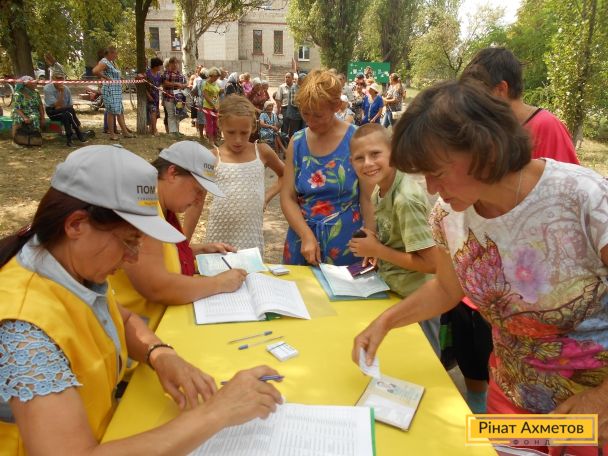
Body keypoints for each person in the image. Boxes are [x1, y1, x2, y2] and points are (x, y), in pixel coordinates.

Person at [353, 79, 608, 455]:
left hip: (593, 419)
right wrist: (385, 322)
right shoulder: (448, 215)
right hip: (511, 402)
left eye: (437, 172)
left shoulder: (586, 198)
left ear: (484, 150)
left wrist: (602, 399)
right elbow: (446, 287)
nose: (432, 189)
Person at [0, 145, 283, 455]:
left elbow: (121, 317)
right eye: (128, 241)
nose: (133, 258)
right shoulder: (24, 332)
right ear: (76, 224)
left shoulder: (69, 267)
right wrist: (217, 412)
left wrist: (159, 354)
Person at [109, 141, 247, 331]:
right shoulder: (143, 208)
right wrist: (218, 283)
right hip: (143, 331)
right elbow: (156, 286)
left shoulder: (160, 206)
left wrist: (196, 250)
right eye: (197, 190)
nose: (199, 200)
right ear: (172, 173)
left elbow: (156, 254)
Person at [348, 123, 440, 356]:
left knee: (423, 359)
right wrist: (375, 243)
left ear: (394, 153)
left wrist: (378, 250)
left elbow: (432, 263)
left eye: (375, 154)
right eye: (359, 158)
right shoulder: (380, 190)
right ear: (351, 163)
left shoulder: (405, 200)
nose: (367, 163)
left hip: (419, 299)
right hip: (397, 291)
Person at [281, 70, 374, 266]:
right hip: (302, 243)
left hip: (347, 245)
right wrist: (305, 234)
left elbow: (368, 197)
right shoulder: (297, 142)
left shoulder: (356, 140)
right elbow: (287, 197)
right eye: (305, 113)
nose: (310, 121)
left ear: (337, 106)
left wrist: (371, 237)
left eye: (317, 115)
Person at [462, 46, 579, 165]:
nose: (472, 102)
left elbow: (566, 175)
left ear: (501, 89)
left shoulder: (548, 127)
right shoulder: (490, 128)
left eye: (476, 94)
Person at [202, 96, 284, 255]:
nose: (238, 140)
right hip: (218, 233)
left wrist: (266, 197)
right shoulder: (212, 156)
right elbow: (197, 200)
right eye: (231, 132)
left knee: (250, 269)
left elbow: (286, 175)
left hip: (250, 235)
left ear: (253, 127)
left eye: (244, 132)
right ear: (220, 125)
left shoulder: (262, 151)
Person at [92, 46, 134, 140]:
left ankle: (125, 132)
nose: (116, 55)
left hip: (116, 90)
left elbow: (113, 74)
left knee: (120, 111)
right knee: (111, 112)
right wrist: (106, 78)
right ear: (110, 53)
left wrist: (120, 78)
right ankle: (112, 134)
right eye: (115, 53)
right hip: (110, 90)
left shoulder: (111, 62)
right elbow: (95, 71)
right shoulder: (104, 62)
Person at [43, 70, 87, 147]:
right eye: (57, 78)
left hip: (65, 110)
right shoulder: (47, 88)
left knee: (67, 115)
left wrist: (62, 107)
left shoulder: (67, 89)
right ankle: (78, 132)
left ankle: (69, 140)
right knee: (69, 111)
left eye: (61, 78)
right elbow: (56, 106)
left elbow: (70, 105)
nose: (60, 80)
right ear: (53, 79)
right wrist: (61, 92)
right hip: (52, 112)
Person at [11, 76, 45, 143]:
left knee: (34, 117)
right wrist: (24, 117)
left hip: (33, 111)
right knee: (17, 119)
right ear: (26, 84)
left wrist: (42, 118)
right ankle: (15, 140)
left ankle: (33, 140)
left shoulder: (36, 92)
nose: (35, 83)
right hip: (20, 112)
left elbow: (40, 106)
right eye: (32, 82)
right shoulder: (18, 94)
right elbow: (17, 108)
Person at [161, 57, 188, 138]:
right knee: (171, 114)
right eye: (173, 63)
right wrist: (176, 84)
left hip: (179, 99)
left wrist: (183, 85)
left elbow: (186, 84)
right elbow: (165, 83)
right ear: (170, 64)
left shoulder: (180, 74)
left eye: (176, 63)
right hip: (168, 98)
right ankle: (172, 132)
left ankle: (177, 131)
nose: (175, 65)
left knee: (178, 114)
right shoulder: (166, 73)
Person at [145, 57, 164, 135]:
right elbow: (144, 87)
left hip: (156, 97)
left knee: (155, 113)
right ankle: (154, 129)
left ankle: (152, 129)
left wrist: (161, 87)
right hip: (149, 97)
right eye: (160, 66)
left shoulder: (158, 74)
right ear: (155, 66)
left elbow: (160, 84)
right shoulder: (147, 73)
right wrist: (148, 95)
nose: (160, 67)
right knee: (153, 111)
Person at [202, 67, 221, 145]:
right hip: (208, 107)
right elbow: (206, 97)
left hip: (216, 106)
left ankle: (215, 139)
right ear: (211, 75)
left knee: (216, 123)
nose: (217, 78)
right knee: (210, 123)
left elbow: (217, 95)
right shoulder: (205, 84)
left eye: (218, 77)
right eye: (216, 77)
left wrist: (218, 105)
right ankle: (211, 140)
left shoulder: (215, 83)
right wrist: (213, 105)